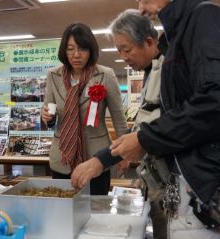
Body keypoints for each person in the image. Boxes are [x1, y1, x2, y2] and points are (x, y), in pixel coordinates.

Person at [84, 0, 220, 238]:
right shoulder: (178, 37)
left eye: (127, 49)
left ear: (147, 42)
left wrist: (144, 140)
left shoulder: (205, 18)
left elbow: (216, 104)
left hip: (202, 181)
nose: (141, 7)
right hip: (188, 180)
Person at [71, 11, 168, 239]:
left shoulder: (169, 70)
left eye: (127, 49)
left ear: (149, 42)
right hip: (157, 183)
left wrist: (101, 160)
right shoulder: (151, 70)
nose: (123, 56)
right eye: (119, 51)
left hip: (177, 187)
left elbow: (154, 130)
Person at [42, 23, 127, 195]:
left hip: (97, 158)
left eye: (82, 49)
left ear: (91, 50)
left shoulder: (105, 75)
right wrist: (46, 117)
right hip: (62, 157)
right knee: (63, 209)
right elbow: (49, 113)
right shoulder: (53, 75)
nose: (76, 55)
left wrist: (123, 154)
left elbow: (119, 119)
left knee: (95, 209)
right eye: (70, 49)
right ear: (64, 51)